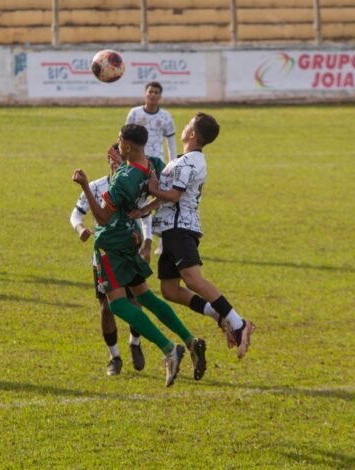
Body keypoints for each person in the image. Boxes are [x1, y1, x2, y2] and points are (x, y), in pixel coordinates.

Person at [72, 124, 207, 387]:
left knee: (117, 304)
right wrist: (145, 205)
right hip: (131, 238)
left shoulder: (124, 180)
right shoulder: (151, 164)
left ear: (128, 146)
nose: (117, 144)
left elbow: (101, 216)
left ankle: (170, 349)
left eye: (120, 141)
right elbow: (156, 188)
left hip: (111, 242)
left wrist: (86, 186)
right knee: (145, 296)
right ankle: (190, 340)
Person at [146, 112, 256, 358]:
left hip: (181, 228)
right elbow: (164, 198)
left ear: (193, 134)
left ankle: (239, 323)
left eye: (187, 125)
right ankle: (218, 314)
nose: (184, 128)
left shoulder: (191, 162)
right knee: (170, 290)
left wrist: (152, 187)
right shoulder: (181, 160)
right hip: (168, 229)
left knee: (193, 279)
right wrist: (141, 210)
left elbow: (173, 196)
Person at [70, 144, 145, 375]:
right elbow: (76, 213)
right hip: (103, 255)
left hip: (129, 252)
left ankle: (135, 343)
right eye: (112, 158)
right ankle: (115, 358)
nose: (115, 162)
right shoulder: (96, 186)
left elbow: (144, 216)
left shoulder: (134, 184)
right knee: (106, 306)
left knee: (135, 301)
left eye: (120, 159)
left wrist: (147, 242)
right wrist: (80, 228)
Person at [125, 81, 176, 256]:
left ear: (160, 96)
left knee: (161, 200)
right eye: (150, 91)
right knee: (137, 198)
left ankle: (162, 241)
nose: (153, 95)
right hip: (138, 162)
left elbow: (170, 141)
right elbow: (125, 137)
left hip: (158, 163)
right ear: (145, 94)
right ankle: (135, 236)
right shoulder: (135, 113)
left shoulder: (166, 116)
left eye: (156, 92)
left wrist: (173, 162)